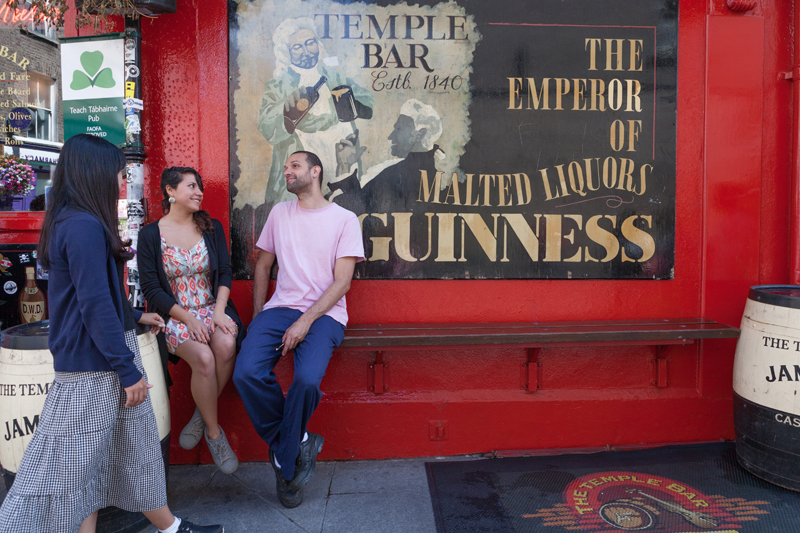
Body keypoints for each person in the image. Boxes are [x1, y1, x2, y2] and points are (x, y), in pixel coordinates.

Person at [0, 134, 222, 533]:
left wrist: (136, 316)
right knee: (61, 472)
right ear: (96, 173)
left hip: (100, 357)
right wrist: (127, 370)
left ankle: (169, 527)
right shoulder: (84, 225)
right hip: (95, 365)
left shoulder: (74, 220)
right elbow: (94, 304)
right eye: (119, 174)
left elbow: (93, 295)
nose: (121, 182)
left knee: (125, 457)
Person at [233, 151, 365, 508]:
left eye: (295, 166)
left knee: (306, 380)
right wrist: (260, 315)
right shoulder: (279, 213)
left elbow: (342, 283)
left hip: (325, 313)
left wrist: (305, 322)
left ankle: (283, 460)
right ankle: (298, 442)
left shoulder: (344, 219)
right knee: (245, 373)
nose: (288, 172)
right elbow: (263, 267)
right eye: (287, 166)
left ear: (315, 171)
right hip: (279, 310)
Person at [138, 167, 246, 475]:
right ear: (171, 192)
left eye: (200, 186)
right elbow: (152, 290)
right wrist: (188, 319)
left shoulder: (211, 228)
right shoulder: (149, 235)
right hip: (175, 314)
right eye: (191, 186)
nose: (199, 191)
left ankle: (201, 414)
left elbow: (225, 272)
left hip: (213, 307)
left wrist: (219, 311)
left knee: (225, 344)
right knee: (203, 358)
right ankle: (214, 433)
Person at [258, 17, 374, 200]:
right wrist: (290, 110)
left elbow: (367, 101)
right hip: (303, 168)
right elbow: (266, 126)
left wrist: (350, 105)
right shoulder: (279, 86)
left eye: (310, 43)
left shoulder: (334, 76)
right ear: (286, 52)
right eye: (297, 47)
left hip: (341, 161)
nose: (306, 51)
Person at [330, 99, 444, 214]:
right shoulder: (432, 171)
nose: (391, 136)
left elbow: (352, 208)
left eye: (398, 129)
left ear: (420, 134)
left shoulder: (397, 175)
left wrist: (344, 165)